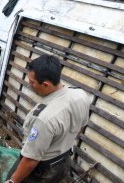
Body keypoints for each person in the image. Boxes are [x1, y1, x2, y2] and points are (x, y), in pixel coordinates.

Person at [5, 54, 91, 183]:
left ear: (45, 84)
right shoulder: (80, 95)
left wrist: (13, 181)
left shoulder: (44, 118)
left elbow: (31, 160)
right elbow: (80, 126)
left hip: (42, 170)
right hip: (63, 162)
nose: (29, 85)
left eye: (32, 82)